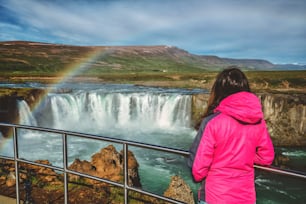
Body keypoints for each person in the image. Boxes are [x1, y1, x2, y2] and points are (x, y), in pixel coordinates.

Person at [187, 66, 274, 204]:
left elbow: (198, 169)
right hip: (246, 197)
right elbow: (266, 158)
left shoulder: (212, 122)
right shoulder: (258, 121)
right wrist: (244, 157)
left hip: (215, 195)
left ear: (219, 91)